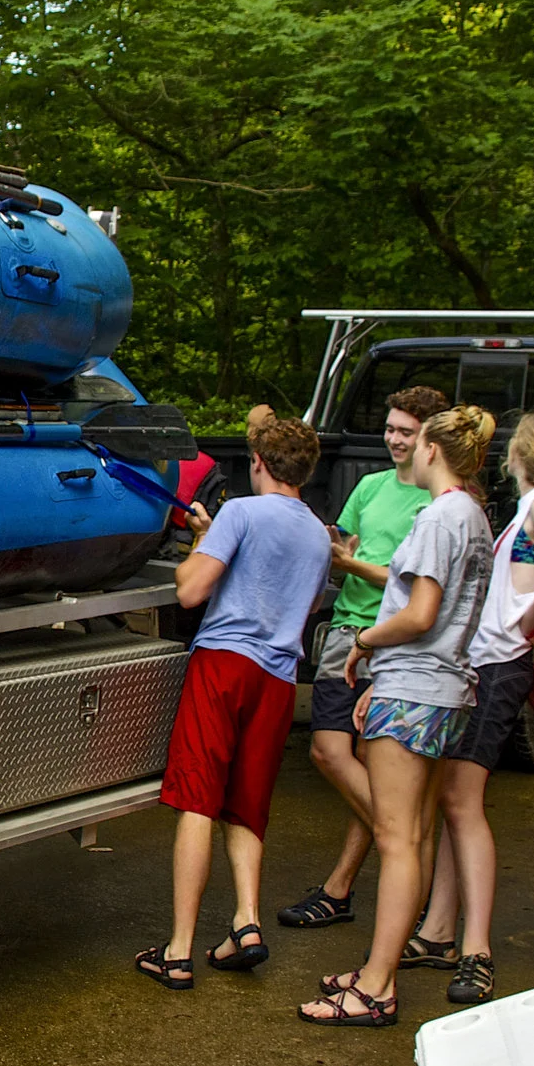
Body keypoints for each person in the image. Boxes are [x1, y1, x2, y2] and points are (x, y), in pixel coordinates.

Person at [300, 404, 495, 1027]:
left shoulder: (438, 517)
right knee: (409, 834)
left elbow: (420, 613)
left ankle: (377, 987)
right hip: (445, 688)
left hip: (415, 688)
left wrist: (363, 643)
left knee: (397, 838)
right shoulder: (474, 515)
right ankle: (377, 968)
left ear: (432, 450)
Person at [134, 410, 332, 990]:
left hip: (224, 664)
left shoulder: (241, 512)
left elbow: (191, 589)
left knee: (198, 797)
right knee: (246, 803)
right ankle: (247, 922)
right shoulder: (318, 535)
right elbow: (306, 606)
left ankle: (178, 950)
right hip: (278, 677)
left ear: (259, 463)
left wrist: (203, 540)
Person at [413, 410, 534, 1004]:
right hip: (488, 662)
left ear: (521, 450)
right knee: (453, 797)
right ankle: (439, 931)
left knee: (463, 802)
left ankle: (477, 950)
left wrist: (522, 628)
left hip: (499, 664)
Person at [276, 386, 449, 935]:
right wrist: (338, 556)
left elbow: (406, 582)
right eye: (391, 428)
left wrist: (353, 564)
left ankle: (340, 888)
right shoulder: (371, 486)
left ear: (430, 439)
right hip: (346, 630)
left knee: (378, 764)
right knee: (329, 751)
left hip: (394, 638)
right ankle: (405, 842)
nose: (394, 440)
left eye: (406, 432)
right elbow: (348, 552)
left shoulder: (437, 502)